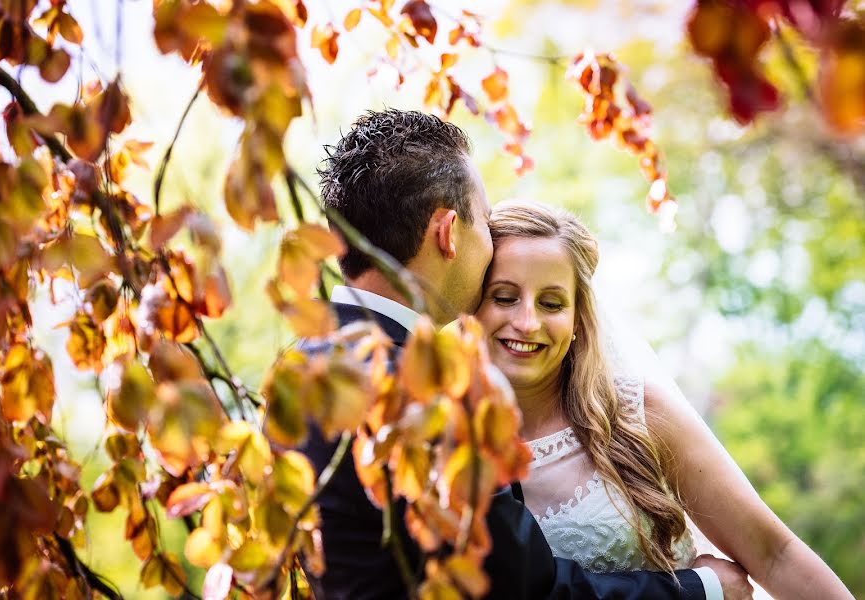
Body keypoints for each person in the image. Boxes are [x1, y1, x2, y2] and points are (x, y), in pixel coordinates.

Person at [299, 108, 752, 599]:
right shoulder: (426, 394)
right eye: (484, 222)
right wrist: (702, 589)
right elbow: (526, 590)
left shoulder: (299, 371)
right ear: (449, 232)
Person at [475, 200, 853, 599]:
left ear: (577, 321)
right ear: (471, 304)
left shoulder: (637, 413)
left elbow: (775, 555)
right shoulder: (446, 442)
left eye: (552, 303)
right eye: (504, 297)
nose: (528, 322)